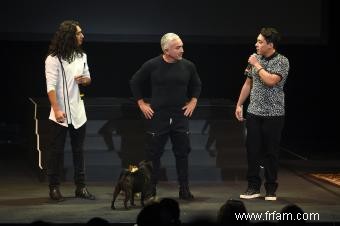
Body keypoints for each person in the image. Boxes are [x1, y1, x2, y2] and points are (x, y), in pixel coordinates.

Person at [130, 33, 201, 200]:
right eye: (178, 48)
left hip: (180, 116)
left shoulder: (188, 66)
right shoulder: (153, 65)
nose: (182, 50)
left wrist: (193, 102)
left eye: (182, 46)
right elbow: (135, 81)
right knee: (153, 155)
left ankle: (184, 189)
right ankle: (150, 188)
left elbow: (197, 84)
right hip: (159, 116)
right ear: (166, 50)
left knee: (182, 153)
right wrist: (141, 103)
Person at [235, 27, 289, 201]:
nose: (256, 44)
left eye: (260, 41)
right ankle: (253, 187)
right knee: (252, 151)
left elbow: (271, 81)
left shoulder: (282, 61)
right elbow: (247, 83)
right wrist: (239, 104)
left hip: (274, 114)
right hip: (254, 112)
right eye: (257, 41)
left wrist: (257, 65)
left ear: (270, 44)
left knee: (271, 152)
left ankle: (271, 188)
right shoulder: (255, 59)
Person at [44, 20, 95, 201]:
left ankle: (80, 187)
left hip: (78, 112)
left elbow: (88, 78)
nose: (82, 36)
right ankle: (54, 187)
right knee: (56, 151)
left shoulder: (82, 56)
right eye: (79, 33)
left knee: (78, 151)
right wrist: (57, 110)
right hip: (59, 113)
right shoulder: (53, 58)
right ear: (69, 36)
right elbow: (50, 87)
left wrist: (84, 80)